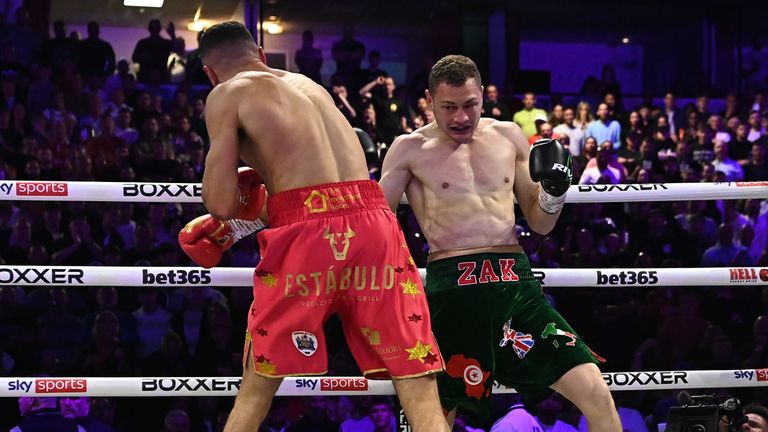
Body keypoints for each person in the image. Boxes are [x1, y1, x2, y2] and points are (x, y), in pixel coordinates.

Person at [177, 21, 448, 432]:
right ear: (262, 57)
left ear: (210, 72)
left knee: (258, 384)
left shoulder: (225, 94)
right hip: (374, 221)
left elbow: (220, 202)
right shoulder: (311, 87)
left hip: (307, 234)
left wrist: (250, 187)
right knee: (417, 384)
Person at [379, 55, 620, 430]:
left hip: (515, 286)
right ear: (429, 100)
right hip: (453, 290)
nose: (461, 117)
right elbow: (377, 221)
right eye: (449, 107)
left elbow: (540, 224)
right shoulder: (409, 149)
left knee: (595, 391)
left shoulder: (508, 136)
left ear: (482, 96)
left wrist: (554, 194)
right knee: (433, 418)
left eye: (470, 105)